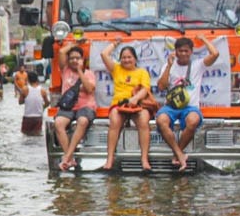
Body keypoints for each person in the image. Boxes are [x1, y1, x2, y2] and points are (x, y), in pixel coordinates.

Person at [156, 36, 219, 171]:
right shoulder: (168, 65)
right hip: (171, 106)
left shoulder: (198, 65)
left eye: (186, 51)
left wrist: (204, 40)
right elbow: (161, 86)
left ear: (191, 52)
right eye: (180, 51)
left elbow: (215, 54)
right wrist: (169, 65)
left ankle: (177, 153)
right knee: (161, 120)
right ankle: (179, 154)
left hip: (190, 107)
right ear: (175, 51)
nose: (183, 54)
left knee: (193, 121)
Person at [100, 39, 153, 173]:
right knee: (115, 121)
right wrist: (115, 43)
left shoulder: (142, 72)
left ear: (135, 59)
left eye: (129, 57)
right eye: (123, 57)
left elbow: (145, 89)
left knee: (143, 121)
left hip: (138, 104)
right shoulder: (116, 69)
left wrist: (135, 99)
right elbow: (103, 54)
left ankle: (144, 159)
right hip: (119, 105)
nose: (126, 60)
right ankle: (110, 158)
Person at [53, 40, 97, 171]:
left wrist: (80, 71)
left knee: (83, 121)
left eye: (77, 58)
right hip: (68, 107)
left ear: (82, 59)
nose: (74, 60)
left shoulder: (89, 73)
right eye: (71, 58)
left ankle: (66, 157)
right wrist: (75, 44)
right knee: (58, 123)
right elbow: (61, 51)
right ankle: (70, 158)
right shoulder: (64, 70)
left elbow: (89, 89)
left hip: (85, 106)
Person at [19, 71, 48, 135]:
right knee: (37, 134)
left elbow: (20, 102)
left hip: (27, 117)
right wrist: (43, 107)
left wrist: (27, 100)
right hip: (38, 118)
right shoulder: (43, 90)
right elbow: (47, 103)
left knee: (25, 135)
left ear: (28, 79)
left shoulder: (24, 89)